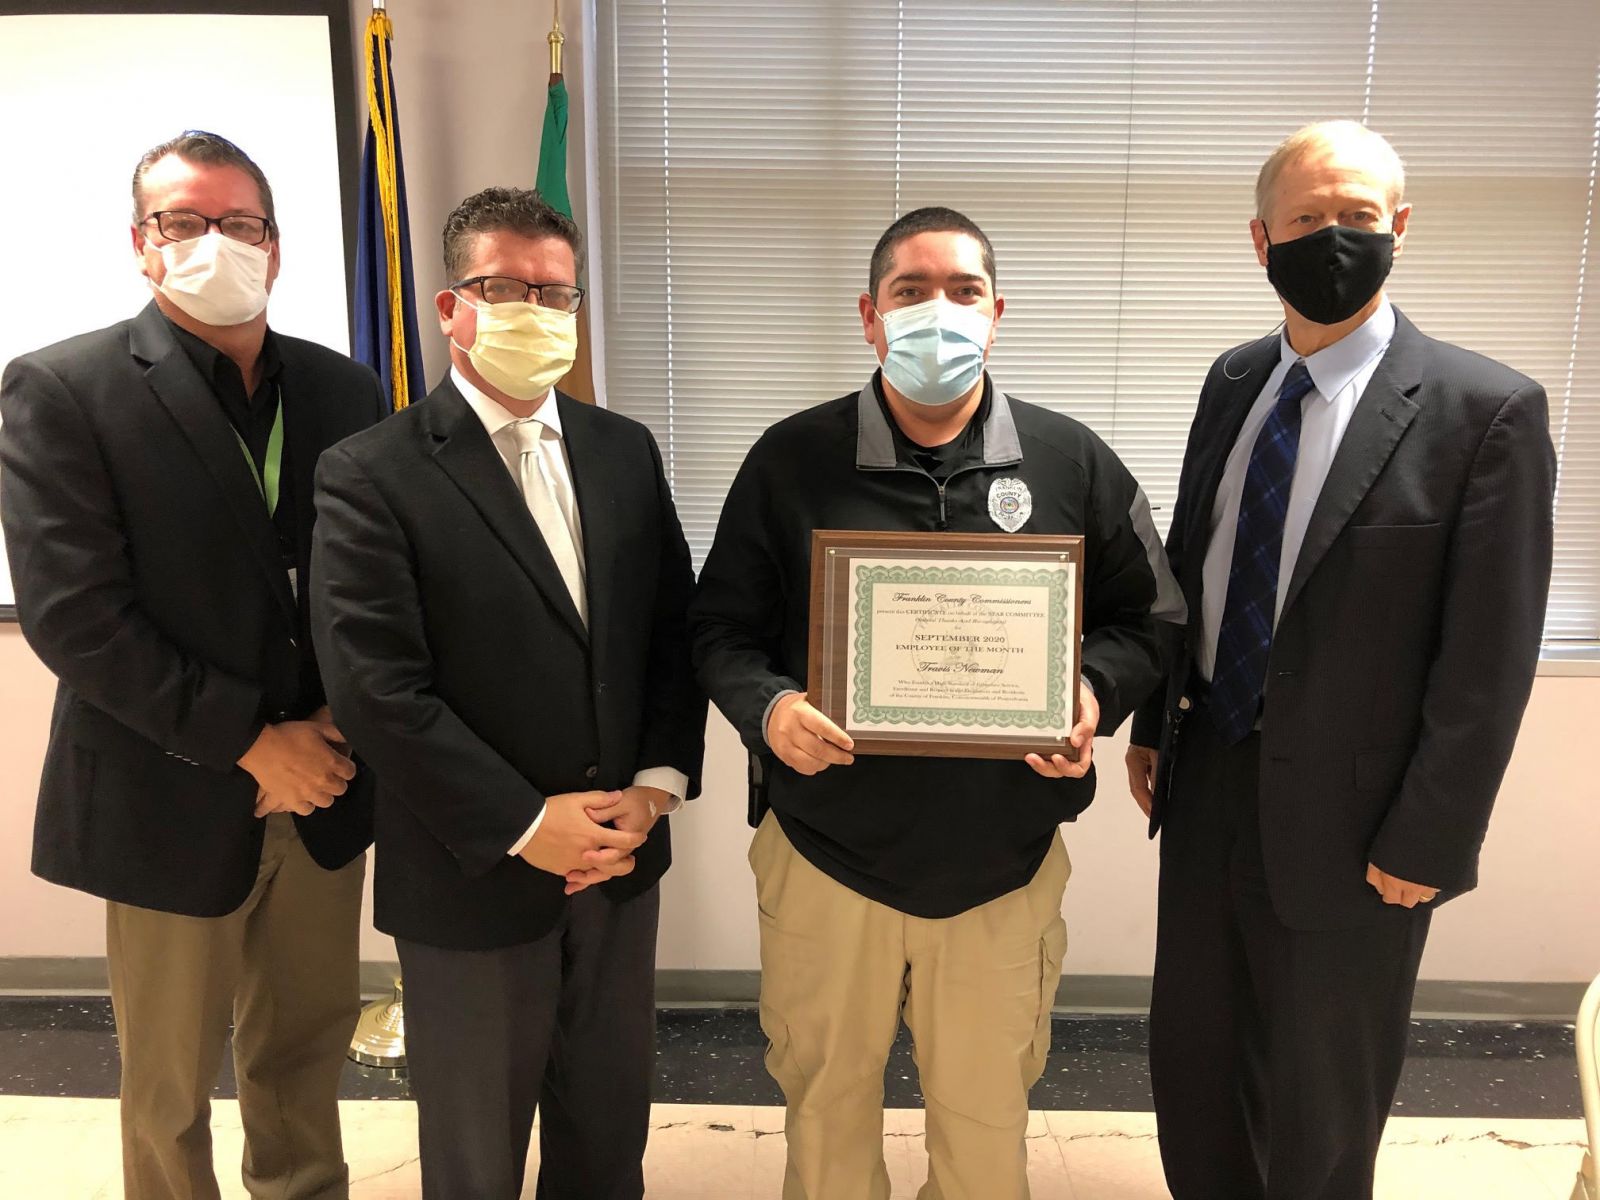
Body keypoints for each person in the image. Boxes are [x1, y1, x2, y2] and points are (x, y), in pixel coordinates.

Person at [690, 206, 1183, 1200]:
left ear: (997, 313)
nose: (937, 313)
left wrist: (1090, 691)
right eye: (911, 293)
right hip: (826, 861)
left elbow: (1153, 617)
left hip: (1000, 870)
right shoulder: (790, 460)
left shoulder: (1071, 462)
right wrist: (772, 709)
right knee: (825, 1121)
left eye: (961, 291)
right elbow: (719, 632)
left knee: (985, 1129)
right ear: (869, 318)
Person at [1125, 120, 1556, 1200]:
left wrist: (1433, 834)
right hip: (1209, 780)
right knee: (1196, 1064)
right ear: (1259, 239)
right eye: (1307, 218)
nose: (1333, 237)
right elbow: (1193, 567)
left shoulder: (1484, 410)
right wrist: (1151, 725)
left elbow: (1488, 656)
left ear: (1399, 228)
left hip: (1363, 825)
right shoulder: (1232, 381)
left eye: (1357, 216)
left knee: (1321, 1099)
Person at [0, 130, 382, 1200]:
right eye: (184, 221)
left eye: (240, 222)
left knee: (303, 1053)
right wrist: (255, 742)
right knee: (169, 1086)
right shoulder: (60, 388)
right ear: (141, 244)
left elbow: (366, 589)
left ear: (276, 244)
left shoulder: (344, 393)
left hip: (325, 787)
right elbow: (76, 619)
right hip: (168, 788)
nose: (216, 241)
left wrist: (321, 744)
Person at [310, 186, 705, 1200]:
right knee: (477, 1158)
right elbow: (377, 690)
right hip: (469, 874)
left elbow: (671, 632)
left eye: (557, 294)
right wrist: (529, 822)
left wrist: (655, 785)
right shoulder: (370, 472)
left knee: (607, 1136)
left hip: (619, 858)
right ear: (453, 307)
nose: (536, 311)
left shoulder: (624, 450)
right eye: (505, 287)